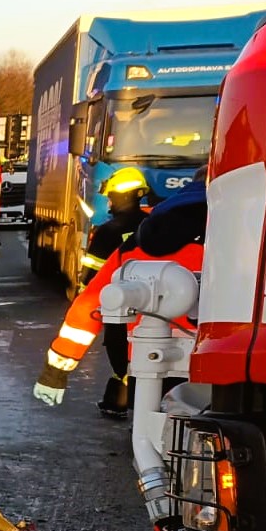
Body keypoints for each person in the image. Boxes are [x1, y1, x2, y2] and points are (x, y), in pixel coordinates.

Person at [34, 167, 207, 413]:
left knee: (150, 439)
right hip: (218, 365)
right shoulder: (248, 235)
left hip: (144, 360)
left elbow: (90, 302)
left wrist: (56, 371)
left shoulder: (137, 241)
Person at [79, 166, 152, 284]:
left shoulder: (107, 232)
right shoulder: (153, 224)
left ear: (121, 197)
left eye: (110, 197)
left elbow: (91, 279)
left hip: (115, 297)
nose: (109, 202)